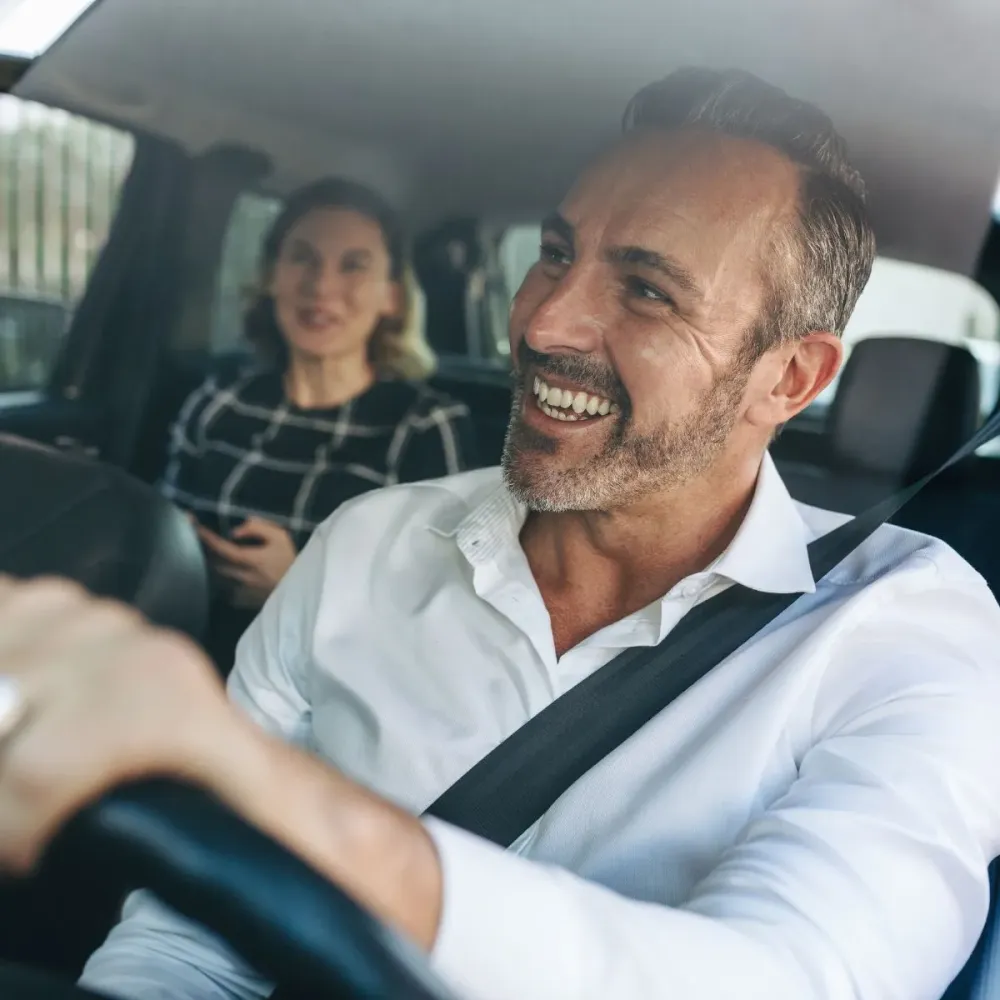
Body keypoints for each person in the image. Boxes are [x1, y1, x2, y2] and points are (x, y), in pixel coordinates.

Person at [0, 67, 997, 1000]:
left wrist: (264, 798)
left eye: (646, 289)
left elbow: (788, 978)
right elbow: (183, 937)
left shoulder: (906, 629)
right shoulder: (365, 547)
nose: (546, 320)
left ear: (790, 378)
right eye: (555, 253)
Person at [159, 177, 477, 672]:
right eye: (302, 258)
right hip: (180, 659)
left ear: (391, 296)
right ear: (271, 277)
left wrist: (299, 587)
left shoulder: (424, 426)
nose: (321, 286)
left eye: (353, 265)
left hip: (319, 689)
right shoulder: (220, 398)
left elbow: (439, 613)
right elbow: (164, 526)